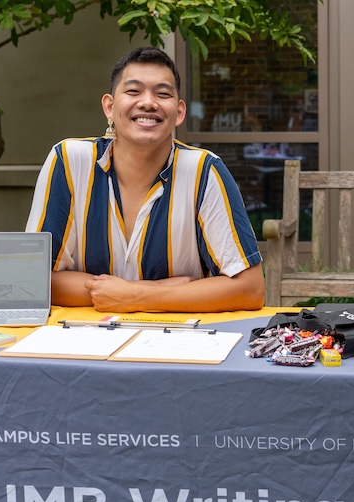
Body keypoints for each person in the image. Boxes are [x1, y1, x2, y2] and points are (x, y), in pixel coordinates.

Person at [25, 47, 265, 313]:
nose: (148, 103)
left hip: (179, 341)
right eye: (133, 91)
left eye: (163, 94)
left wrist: (135, 296)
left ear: (179, 112)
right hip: (82, 339)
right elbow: (33, 281)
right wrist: (164, 290)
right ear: (109, 106)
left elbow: (251, 289)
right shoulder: (69, 161)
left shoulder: (204, 171)